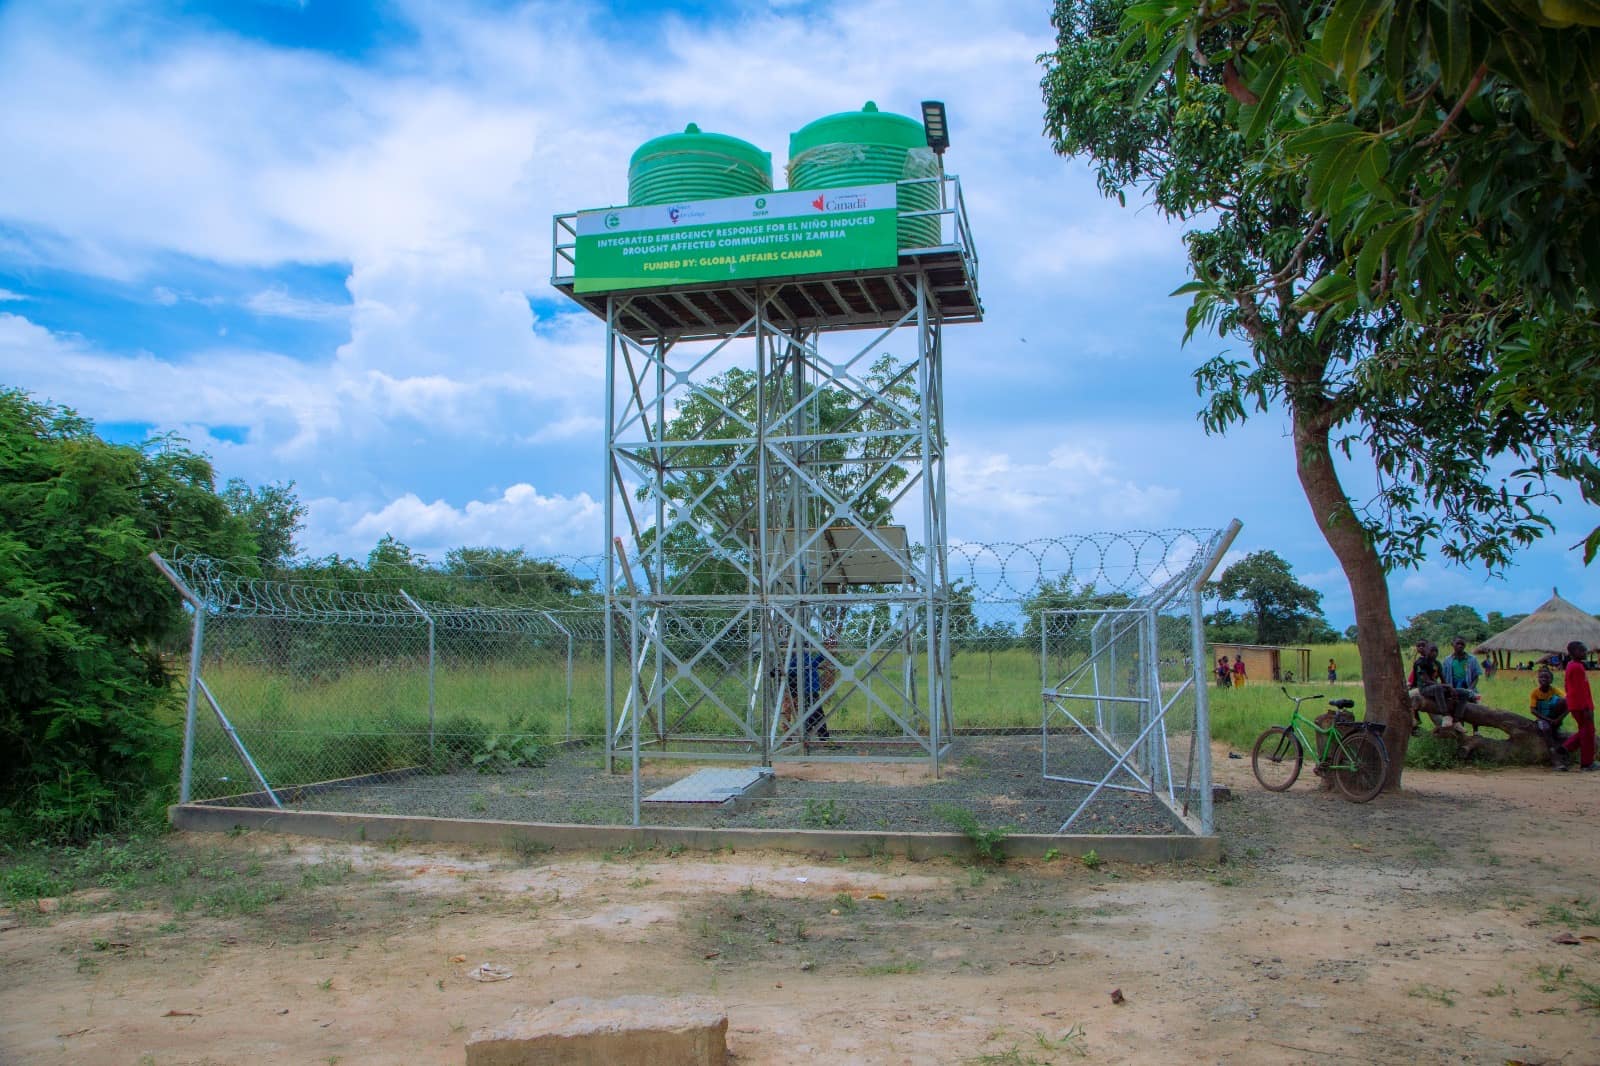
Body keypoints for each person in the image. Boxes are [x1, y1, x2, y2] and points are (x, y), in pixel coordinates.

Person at [1560, 641, 1595, 772]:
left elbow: (1568, 686)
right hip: (1582, 706)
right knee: (1588, 732)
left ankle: (1566, 748)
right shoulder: (1577, 668)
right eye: (1582, 651)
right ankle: (1586, 763)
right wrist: (1586, 708)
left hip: (1575, 704)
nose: (1585, 653)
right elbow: (1581, 690)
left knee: (1585, 730)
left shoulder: (1571, 665)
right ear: (1574, 652)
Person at [1528, 666, 1569, 769]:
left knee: (1562, 701)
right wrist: (1549, 720)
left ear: (1551, 680)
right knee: (1547, 731)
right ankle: (1555, 760)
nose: (1543, 680)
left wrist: (1559, 719)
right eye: (1541, 678)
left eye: (1546, 678)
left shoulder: (1554, 690)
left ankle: (1561, 756)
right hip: (1543, 719)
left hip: (1554, 718)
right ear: (1538, 679)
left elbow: (1568, 702)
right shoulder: (1535, 693)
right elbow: (1533, 710)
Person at [1441, 636, 1483, 734]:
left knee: (1475, 709)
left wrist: (1470, 689)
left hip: (1468, 687)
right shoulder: (1447, 660)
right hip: (1453, 688)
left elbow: (1476, 676)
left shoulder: (1472, 659)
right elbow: (1443, 676)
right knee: (1457, 708)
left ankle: (1476, 731)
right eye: (1458, 643)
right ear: (1453, 644)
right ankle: (1460, 731)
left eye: (1462, 644)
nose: (1460, 646)